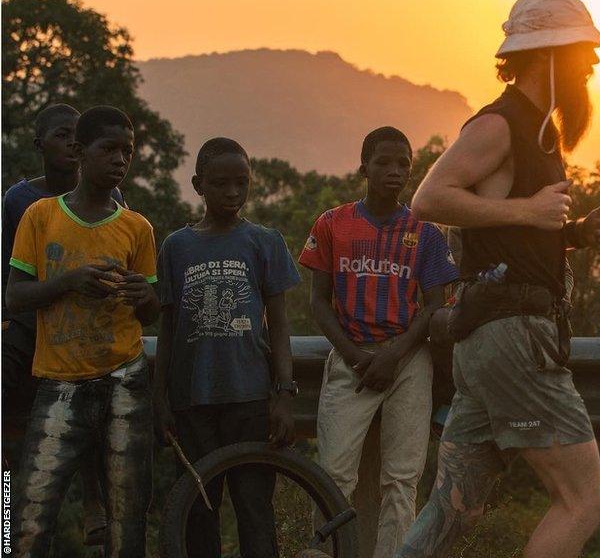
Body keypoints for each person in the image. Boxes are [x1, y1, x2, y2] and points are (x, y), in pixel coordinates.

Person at [397, 0, 600, 558]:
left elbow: (505, 236)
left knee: (452, 510)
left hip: (489, 340)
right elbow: (429, 199)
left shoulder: (541, 130)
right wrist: (530, 211)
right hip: (515, 337)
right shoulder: (501, 124)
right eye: (582, 51)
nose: (592, 62)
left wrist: (572, 235)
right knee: (584, 501)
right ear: (547, 54)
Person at [7, 105, 160, 557]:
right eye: (108, 149)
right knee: (31, 518)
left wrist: (141, 295)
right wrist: (69, 282)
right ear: (79, 152)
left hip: (123, 381)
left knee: (127, 520)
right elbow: (15, 297)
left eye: (127, 152)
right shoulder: (39, 215)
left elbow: (151, 311)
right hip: (58, 380)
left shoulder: (137, 227)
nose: (120, 160)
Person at [299, 126, 459, 558]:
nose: (395, 171)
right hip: (350, 357)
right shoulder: (333, 223)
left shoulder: (425, 231)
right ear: (363, 167)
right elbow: (317, 300)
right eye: (383, 162)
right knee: (333, 474)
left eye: (403, 163)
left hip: (407, 359)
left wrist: (394, 354)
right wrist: (353, 355)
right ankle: (327, 551)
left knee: (402, 478)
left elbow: (433, 305)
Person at [153, 137, 300, 558]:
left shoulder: (265, 241)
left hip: (251, 399)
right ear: (198, 185)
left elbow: (280, 325)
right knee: (200, 511)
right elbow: (168, 326)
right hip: (192, 401)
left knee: (255, 510)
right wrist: (160, 397)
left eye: (242, 182)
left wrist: (284, 395)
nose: (233, 192)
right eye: (220, 183)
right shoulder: (176, 247)